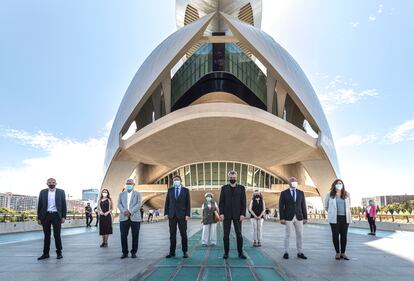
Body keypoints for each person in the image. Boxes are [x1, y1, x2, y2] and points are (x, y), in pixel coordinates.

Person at [219, 170, 247, 259]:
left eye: (234, 177)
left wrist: (243, 214)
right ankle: (226, 253)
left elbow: (244, 202)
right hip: (226, 215)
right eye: (231, 178)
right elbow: (221, 202)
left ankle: (240, 253)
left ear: (236, 177)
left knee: (239, 234)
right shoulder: (224, 188)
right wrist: (221, 213)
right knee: (226, 235)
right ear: (228, 178)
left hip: (238, 215)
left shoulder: (241, 188)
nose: (232, 179)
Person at [37, 178, 67, 260]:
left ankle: (59, 253)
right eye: (50, 182)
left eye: (53, 182)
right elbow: (39, 205)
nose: (51, 184)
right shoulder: (42, 192)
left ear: (56, 183)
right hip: (45, 216)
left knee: (57, 235)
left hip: (56, 216)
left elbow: (64, 205)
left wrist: (63, 216)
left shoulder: (61, 192)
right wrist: (39, 218)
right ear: (47, 183)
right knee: (46, 236)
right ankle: (45, 253)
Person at [279, 177, 308, 260]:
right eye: (292, 181)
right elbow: (281, 206)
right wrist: (282, 218)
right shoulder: (284, 193)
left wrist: (305, 217)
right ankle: (286, 252)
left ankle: (300, 252)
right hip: (288, 217)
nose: (294, 182)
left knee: (300, 235)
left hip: (299, 217)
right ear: (289, 183)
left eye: (295, 181)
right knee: (287, 235)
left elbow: (303, 206)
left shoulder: (301, 193)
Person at [164, 175, 191, 258]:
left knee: (183, 234)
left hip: (182, 216)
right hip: (172, 215)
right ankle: (172, 252)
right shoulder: (170, 190)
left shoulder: (185, 190)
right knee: (172, 235)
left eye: (177, 180)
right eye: (174, 180)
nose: (176, 181)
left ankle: (185, 252)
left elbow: (188, 203)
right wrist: (166, 213)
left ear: (180, 181)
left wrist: (187, 214)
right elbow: (167, 202)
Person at [324, 179, 352, 260]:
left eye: (340, 183)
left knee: (344, 236)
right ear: (334, 185)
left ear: (343, 185)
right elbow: (326, 206)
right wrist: (331, 212)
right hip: (334, 218)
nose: (339, 184)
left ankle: (343, 253)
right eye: (337, 183)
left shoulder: (347, 194)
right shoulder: (329, 194)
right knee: (335, 235)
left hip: (345, 218)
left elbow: (349, 205)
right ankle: (337, 253)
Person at [118, 178, 142, 259]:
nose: (129, 185)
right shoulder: (121, 194)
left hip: (135, 218)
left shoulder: (138, 193)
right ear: (126, 184)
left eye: (130, 183)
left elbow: (139, 204)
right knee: (123, 236)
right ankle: (124, 252)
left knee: (135, 236)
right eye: (127, 183)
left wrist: (130, 212)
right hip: (123, 217)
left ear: (133, 185)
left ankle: (133, 252)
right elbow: (119, 204)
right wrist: (124, 211)